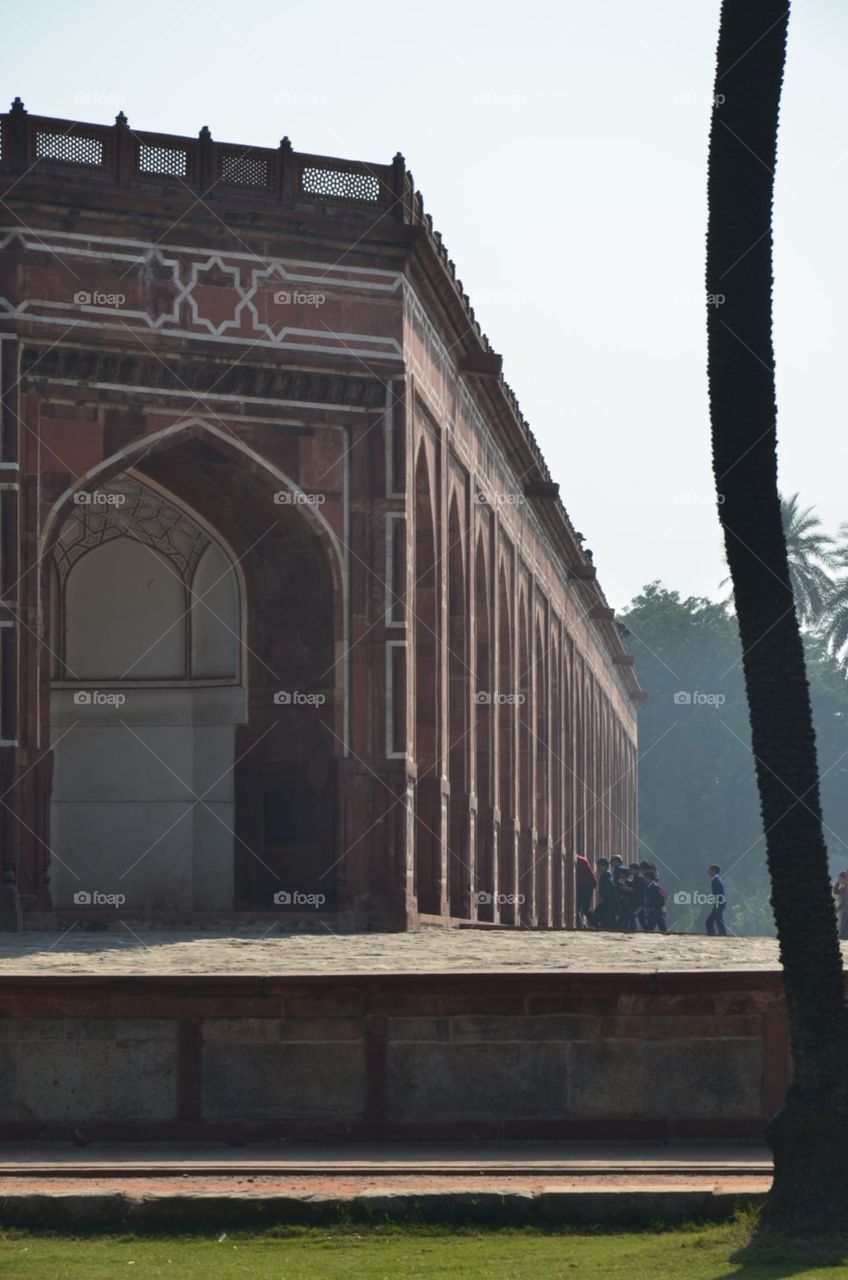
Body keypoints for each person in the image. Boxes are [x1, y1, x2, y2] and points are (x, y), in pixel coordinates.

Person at [589, 858, 618, 930]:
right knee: (601, 917)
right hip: (608, 901)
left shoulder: (607, 875)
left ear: (605, 866)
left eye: (601, 866)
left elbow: (609, 886)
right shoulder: (606, 874)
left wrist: (603, 896)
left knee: (601, 918)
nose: (599, 867)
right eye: (598, 865)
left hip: (609, 901)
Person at [575, 853, 597, 930]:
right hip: (582, 887)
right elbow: (590, 873)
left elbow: (590, 873)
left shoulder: (581, 860)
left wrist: (594, 883)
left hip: (585, 887)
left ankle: (596, 923)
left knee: (584, 908)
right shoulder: (582, 860)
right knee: (580, 907)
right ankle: (581, 925)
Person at [705, 864, 728, 937]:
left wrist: (717, 904)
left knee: (716, 920)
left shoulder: (716, 880)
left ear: (714, 871)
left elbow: (718, 893)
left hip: (719, 903)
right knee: (711, 921)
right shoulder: (717, 880)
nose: (708, 872)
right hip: (720, 903)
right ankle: (717, 934)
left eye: (710, 870)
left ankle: (722, 935)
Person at [643, 868, 667, 933]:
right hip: (654, 909)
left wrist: (662, 909)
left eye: (645, 878)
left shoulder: (655, 887)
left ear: (650, 879)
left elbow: (661, 899)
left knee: (650, 925)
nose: (644, 879)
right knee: (661, 925)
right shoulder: (649, 886)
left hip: (656, 909)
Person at [834, 870, 848, 941]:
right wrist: (837, 883)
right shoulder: (843, 887)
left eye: (841, 879)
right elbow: (835, 892)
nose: (840, 880)